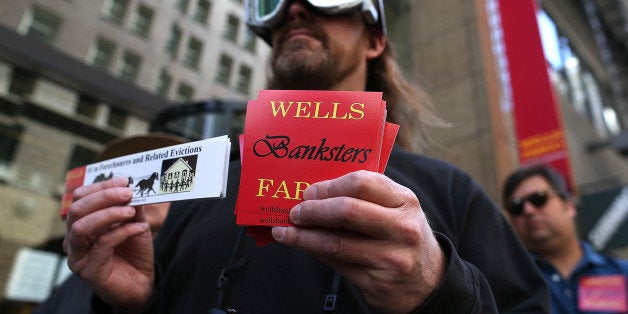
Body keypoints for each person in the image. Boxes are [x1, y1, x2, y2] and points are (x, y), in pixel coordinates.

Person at [63, 1, 549, 313]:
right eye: (274, 4)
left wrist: (438, 290)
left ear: (375, 39)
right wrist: (134, 305)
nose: (295, 9)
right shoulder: (206, 181)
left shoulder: (449, 190)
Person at [32, 133, 186, 314]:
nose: (134, 190)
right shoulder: (82, 276)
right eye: (127, 176)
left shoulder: (196, 268)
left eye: (164, 172)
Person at [502, 164, 628, 313]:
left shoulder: (621, 273)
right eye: (516, 207)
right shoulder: (506, 284)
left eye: (538, 198)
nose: (528, 210)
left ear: (569, 206)